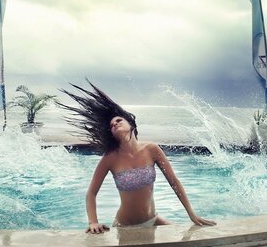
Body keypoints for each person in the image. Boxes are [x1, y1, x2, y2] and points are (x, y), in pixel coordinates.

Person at [58, 80, 216, 234]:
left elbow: (174, 182)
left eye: (119, 120)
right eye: (112, 126)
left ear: (131, 125)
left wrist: (191, 214)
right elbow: (91, 193)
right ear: (111, 134)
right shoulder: (110, 158)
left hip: (153, 220)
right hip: (125, 227)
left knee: (185, 243)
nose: (115, 125)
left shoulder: (152, 149)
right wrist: (93, 221)